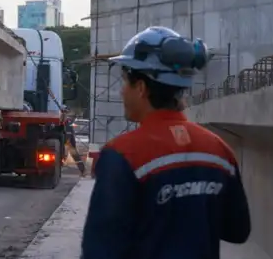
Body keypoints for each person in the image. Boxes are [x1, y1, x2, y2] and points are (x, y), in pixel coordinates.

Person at [81, 26, 250, 259]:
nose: (121, 92)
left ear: (140, 88)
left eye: (124, 81)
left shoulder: (122, 155)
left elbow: (99, 252)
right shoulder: (219, 151)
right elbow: (237, 231)